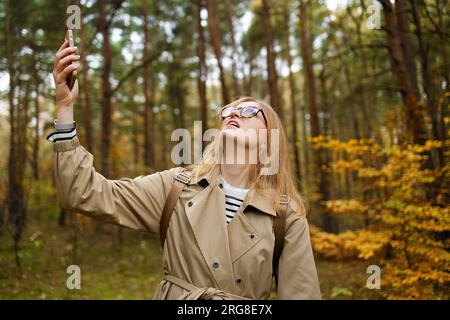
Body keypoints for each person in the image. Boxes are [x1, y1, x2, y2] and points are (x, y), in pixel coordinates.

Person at [48, 36, 321, 300]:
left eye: (249, 111)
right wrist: (65, 107)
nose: (234, 114)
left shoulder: (286, 216)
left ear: (269, 137)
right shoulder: (176, 187)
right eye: (227, 112)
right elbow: (82, 193)